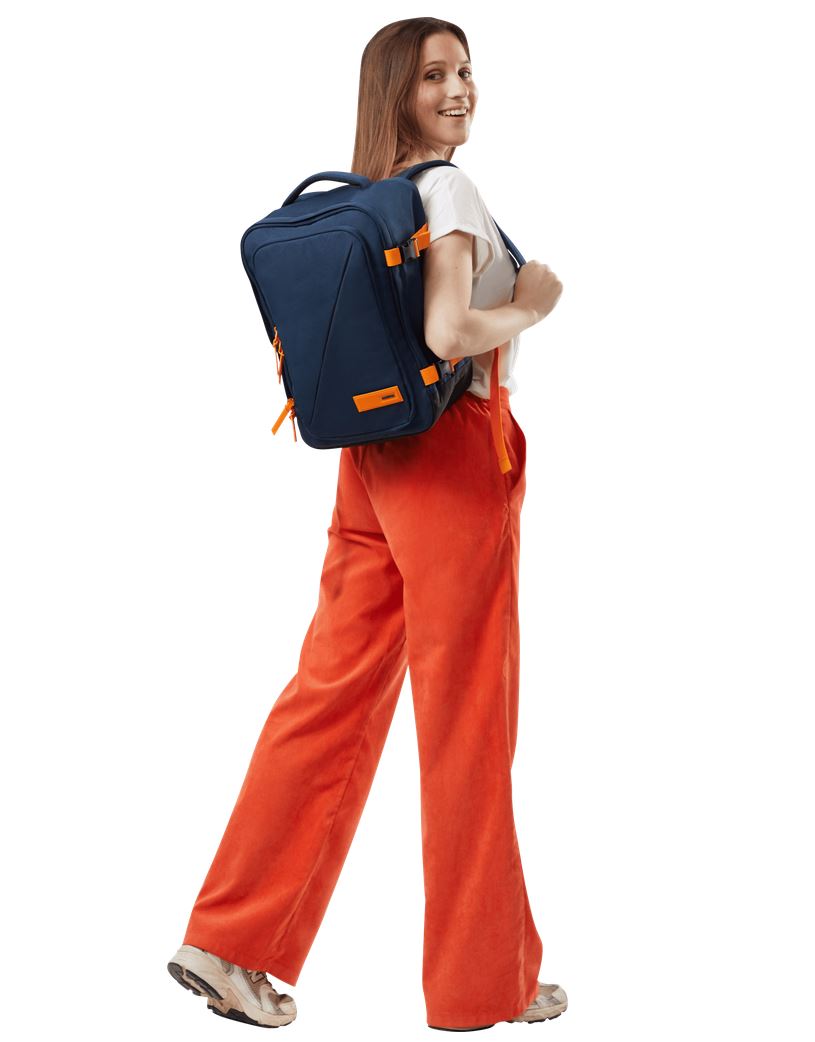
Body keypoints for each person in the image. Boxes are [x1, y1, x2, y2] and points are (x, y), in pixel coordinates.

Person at [167, 16, 565, 1031]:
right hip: (454, 456)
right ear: (395, 92)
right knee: (466, 718)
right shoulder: (449, 193)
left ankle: (227, 941)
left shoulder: (363, 199)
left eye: (465, 69)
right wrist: (532, 303)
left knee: (328, 694)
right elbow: (448, 332)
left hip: (368, 464)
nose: (458, 88)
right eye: (433, 75)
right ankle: (482, 984)